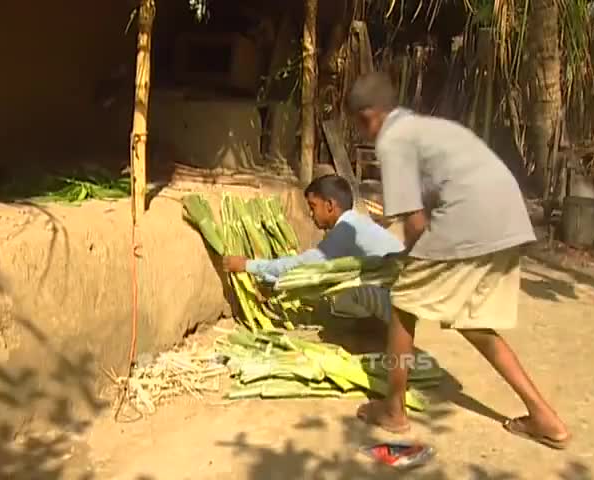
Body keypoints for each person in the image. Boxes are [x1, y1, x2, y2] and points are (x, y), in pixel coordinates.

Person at [346, 72, 570, 449]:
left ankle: (394, 410)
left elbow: (414, 222)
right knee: (475, 321)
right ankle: (545, 418)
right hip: (507, 216)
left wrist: (404, 263)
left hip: (470, 219)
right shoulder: (427, 127)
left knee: (402, 305)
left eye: (358, 124)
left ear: (369, 116)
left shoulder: (392, 139)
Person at [223, 174, 404, 323]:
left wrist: (249, 265)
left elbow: (303, 266)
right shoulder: (358, 221)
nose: (311, 214)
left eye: (313, 207)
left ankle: (374, 329)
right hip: (402, 294)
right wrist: (272, 281)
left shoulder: (346, 230)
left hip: (399, 302)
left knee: (343, 292)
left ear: (330, 206)